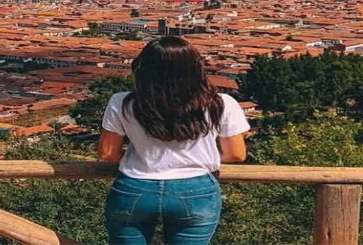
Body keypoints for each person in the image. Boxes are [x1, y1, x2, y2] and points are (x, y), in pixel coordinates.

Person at [98, 36, 250, 245]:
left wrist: (139, 155)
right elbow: (236, 154)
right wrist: (200, 156)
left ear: (144, 68)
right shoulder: (222, 104)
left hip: (135, 188)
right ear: (196, 68)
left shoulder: (123, 102)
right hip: (195, 190)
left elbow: (107, 154)